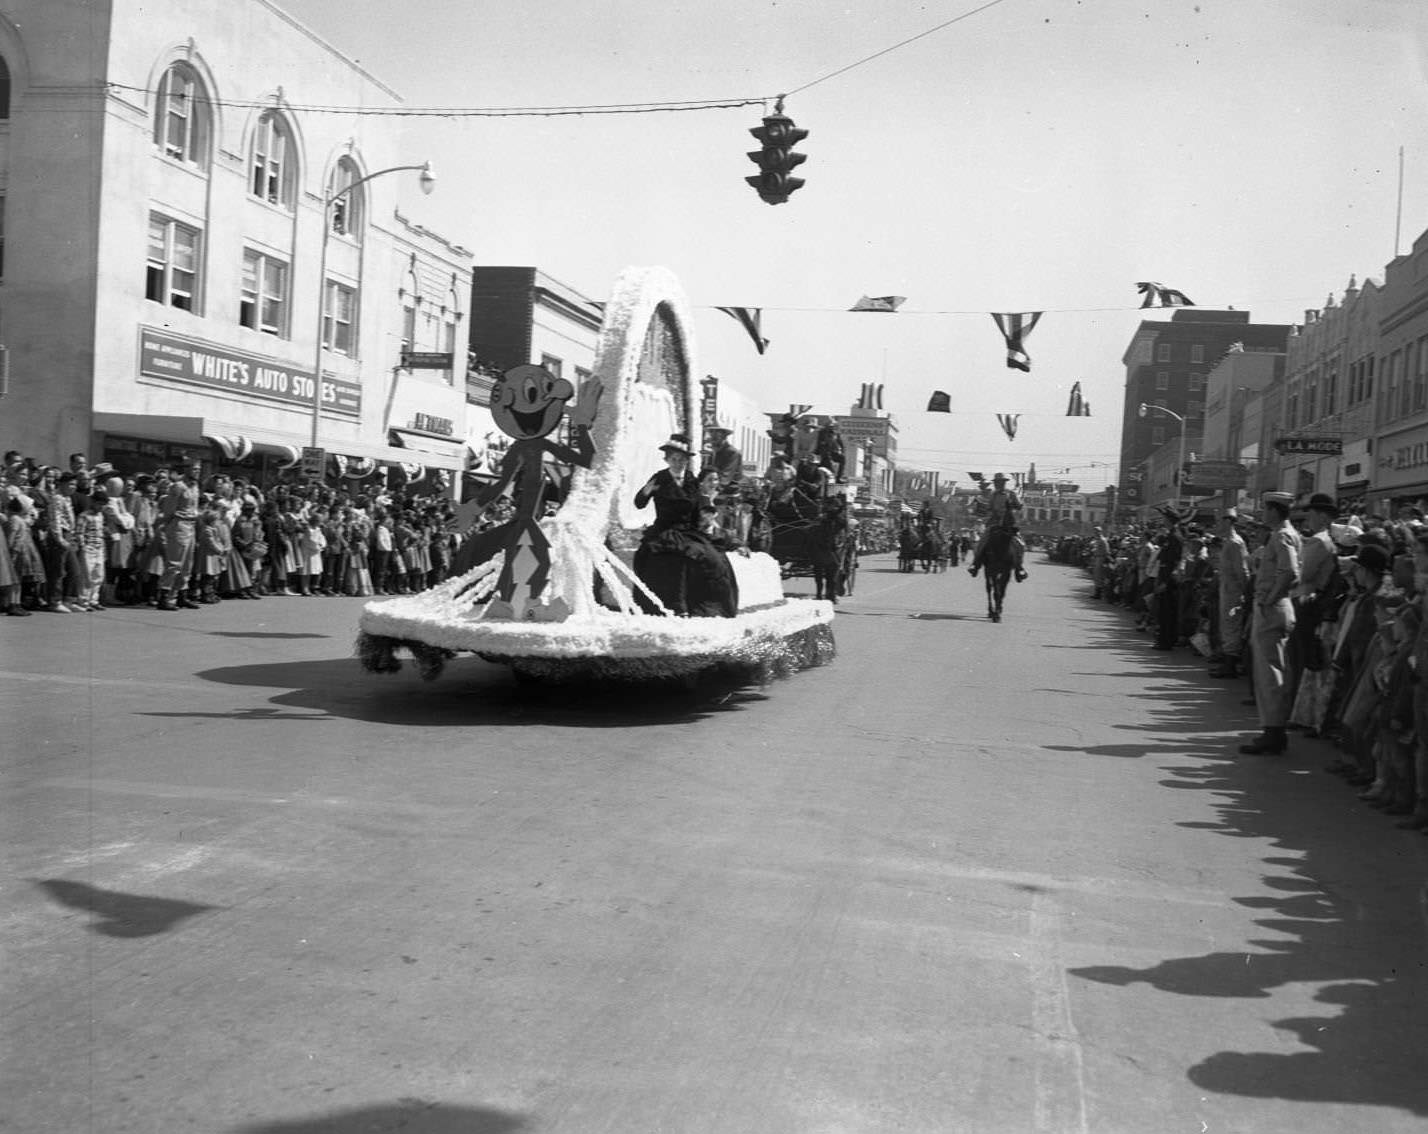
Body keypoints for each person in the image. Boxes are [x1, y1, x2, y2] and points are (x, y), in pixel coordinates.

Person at [632, 433, 738, 617]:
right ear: (667, 459)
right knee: (674, 560)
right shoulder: (659, 478)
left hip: (689, 531)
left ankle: (711, 608)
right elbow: (639, 503)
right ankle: (675, 607)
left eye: (682, 460)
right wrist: (648, 490)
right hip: (665, 530)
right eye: (674, 459)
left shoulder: (691, 480)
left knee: (714, 558)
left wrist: (706, 520)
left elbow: (697, 505)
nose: (678, 463)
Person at [1239, 491, 1303, 755]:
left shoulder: (1281, 535)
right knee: (1270, 671)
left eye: (1265, 509)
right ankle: (1272, 730)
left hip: (1273, 608)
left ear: (1275, 511)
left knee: (1269, 674)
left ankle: (1274, 733)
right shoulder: (1287, 534)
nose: (1262, 514)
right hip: (1277, 607)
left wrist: (1268, 600)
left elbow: (1290, 572)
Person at [1209, 509, 1250, 678]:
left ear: (1227, 521)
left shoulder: (1235, 543)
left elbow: (1243, 571)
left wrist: (1245, 593)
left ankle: (1230, 665)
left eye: (1219, 521)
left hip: (1234, 592)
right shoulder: (1228, 542)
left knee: (1232, 627)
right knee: (1226, 627)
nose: (1216, 525)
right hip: (1227, 590)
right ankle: (1226, 662)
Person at [967, 473, 1028, 581]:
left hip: (1009, 523)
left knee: (1020, 544)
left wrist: (1015, 505)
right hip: (994, 523)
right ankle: (975, 564)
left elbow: (1019, 506)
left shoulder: (1011, 493)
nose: (998, 485)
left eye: (1000, 482)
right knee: (982, 541)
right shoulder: (993, 495)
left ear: (1004, 483)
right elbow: (989, 509)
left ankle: (1019, 568)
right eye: (996, 483)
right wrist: (989, 512)